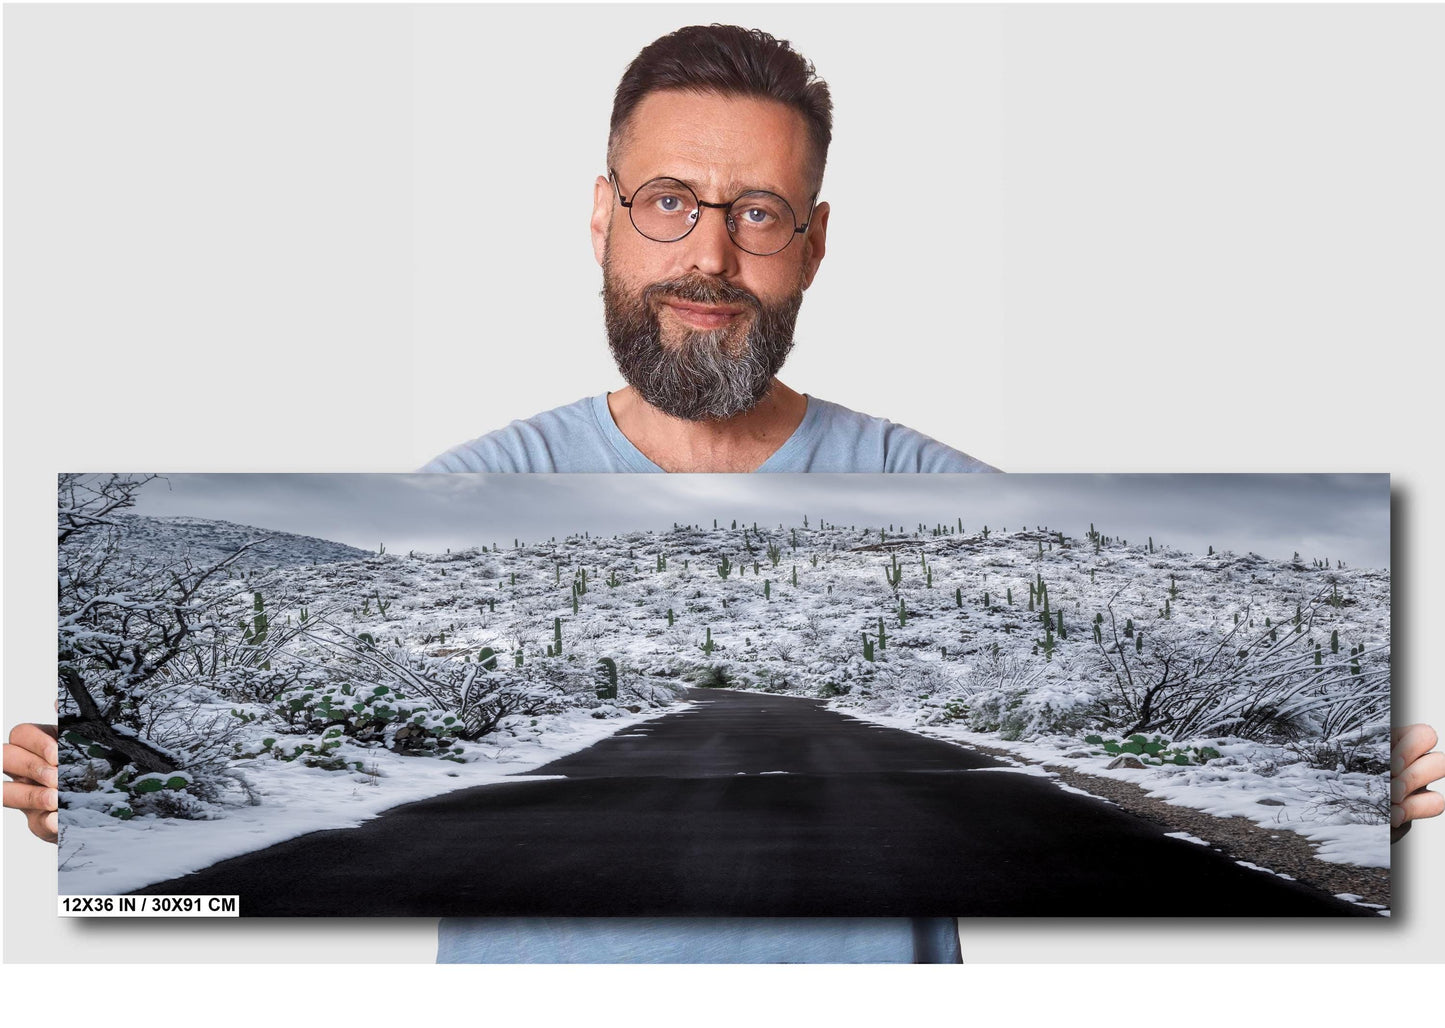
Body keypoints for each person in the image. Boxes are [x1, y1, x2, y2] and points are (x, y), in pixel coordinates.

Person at [8, 23, 1443, 963]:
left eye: (756, 213)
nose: (710, 254)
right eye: (669, 201)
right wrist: (107, 787)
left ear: (810, 244)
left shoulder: (943, 497)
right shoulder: (464, 489)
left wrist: (1377, 769)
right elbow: (186, 817)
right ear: (602, 214)